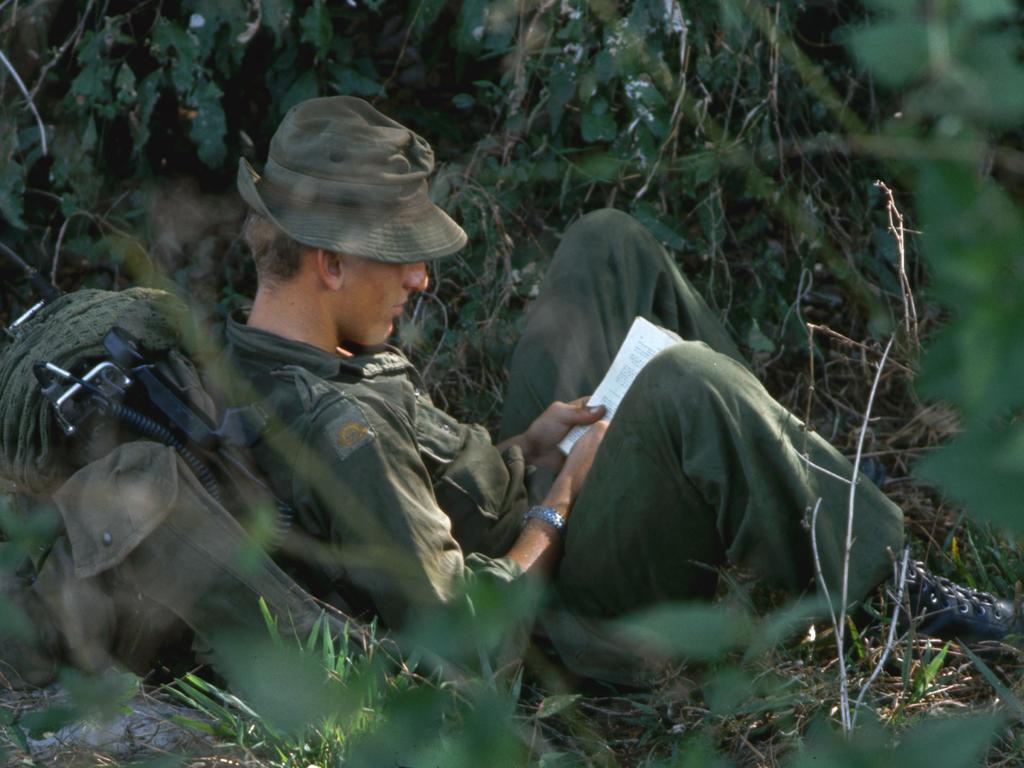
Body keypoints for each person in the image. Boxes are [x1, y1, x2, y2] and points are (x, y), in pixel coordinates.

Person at [218, 96, 1020, 684]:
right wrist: (561, 497)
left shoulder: (296, 347)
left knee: (609, 250)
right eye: (401, 255)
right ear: (329, 262)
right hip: (554, 620)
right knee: (683, 384)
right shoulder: (339, 429)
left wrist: (524, 448)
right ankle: (891, 590)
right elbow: (465, 636)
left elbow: (425, 491)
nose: (422, 277)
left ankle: (779, 473)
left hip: (515, 507)